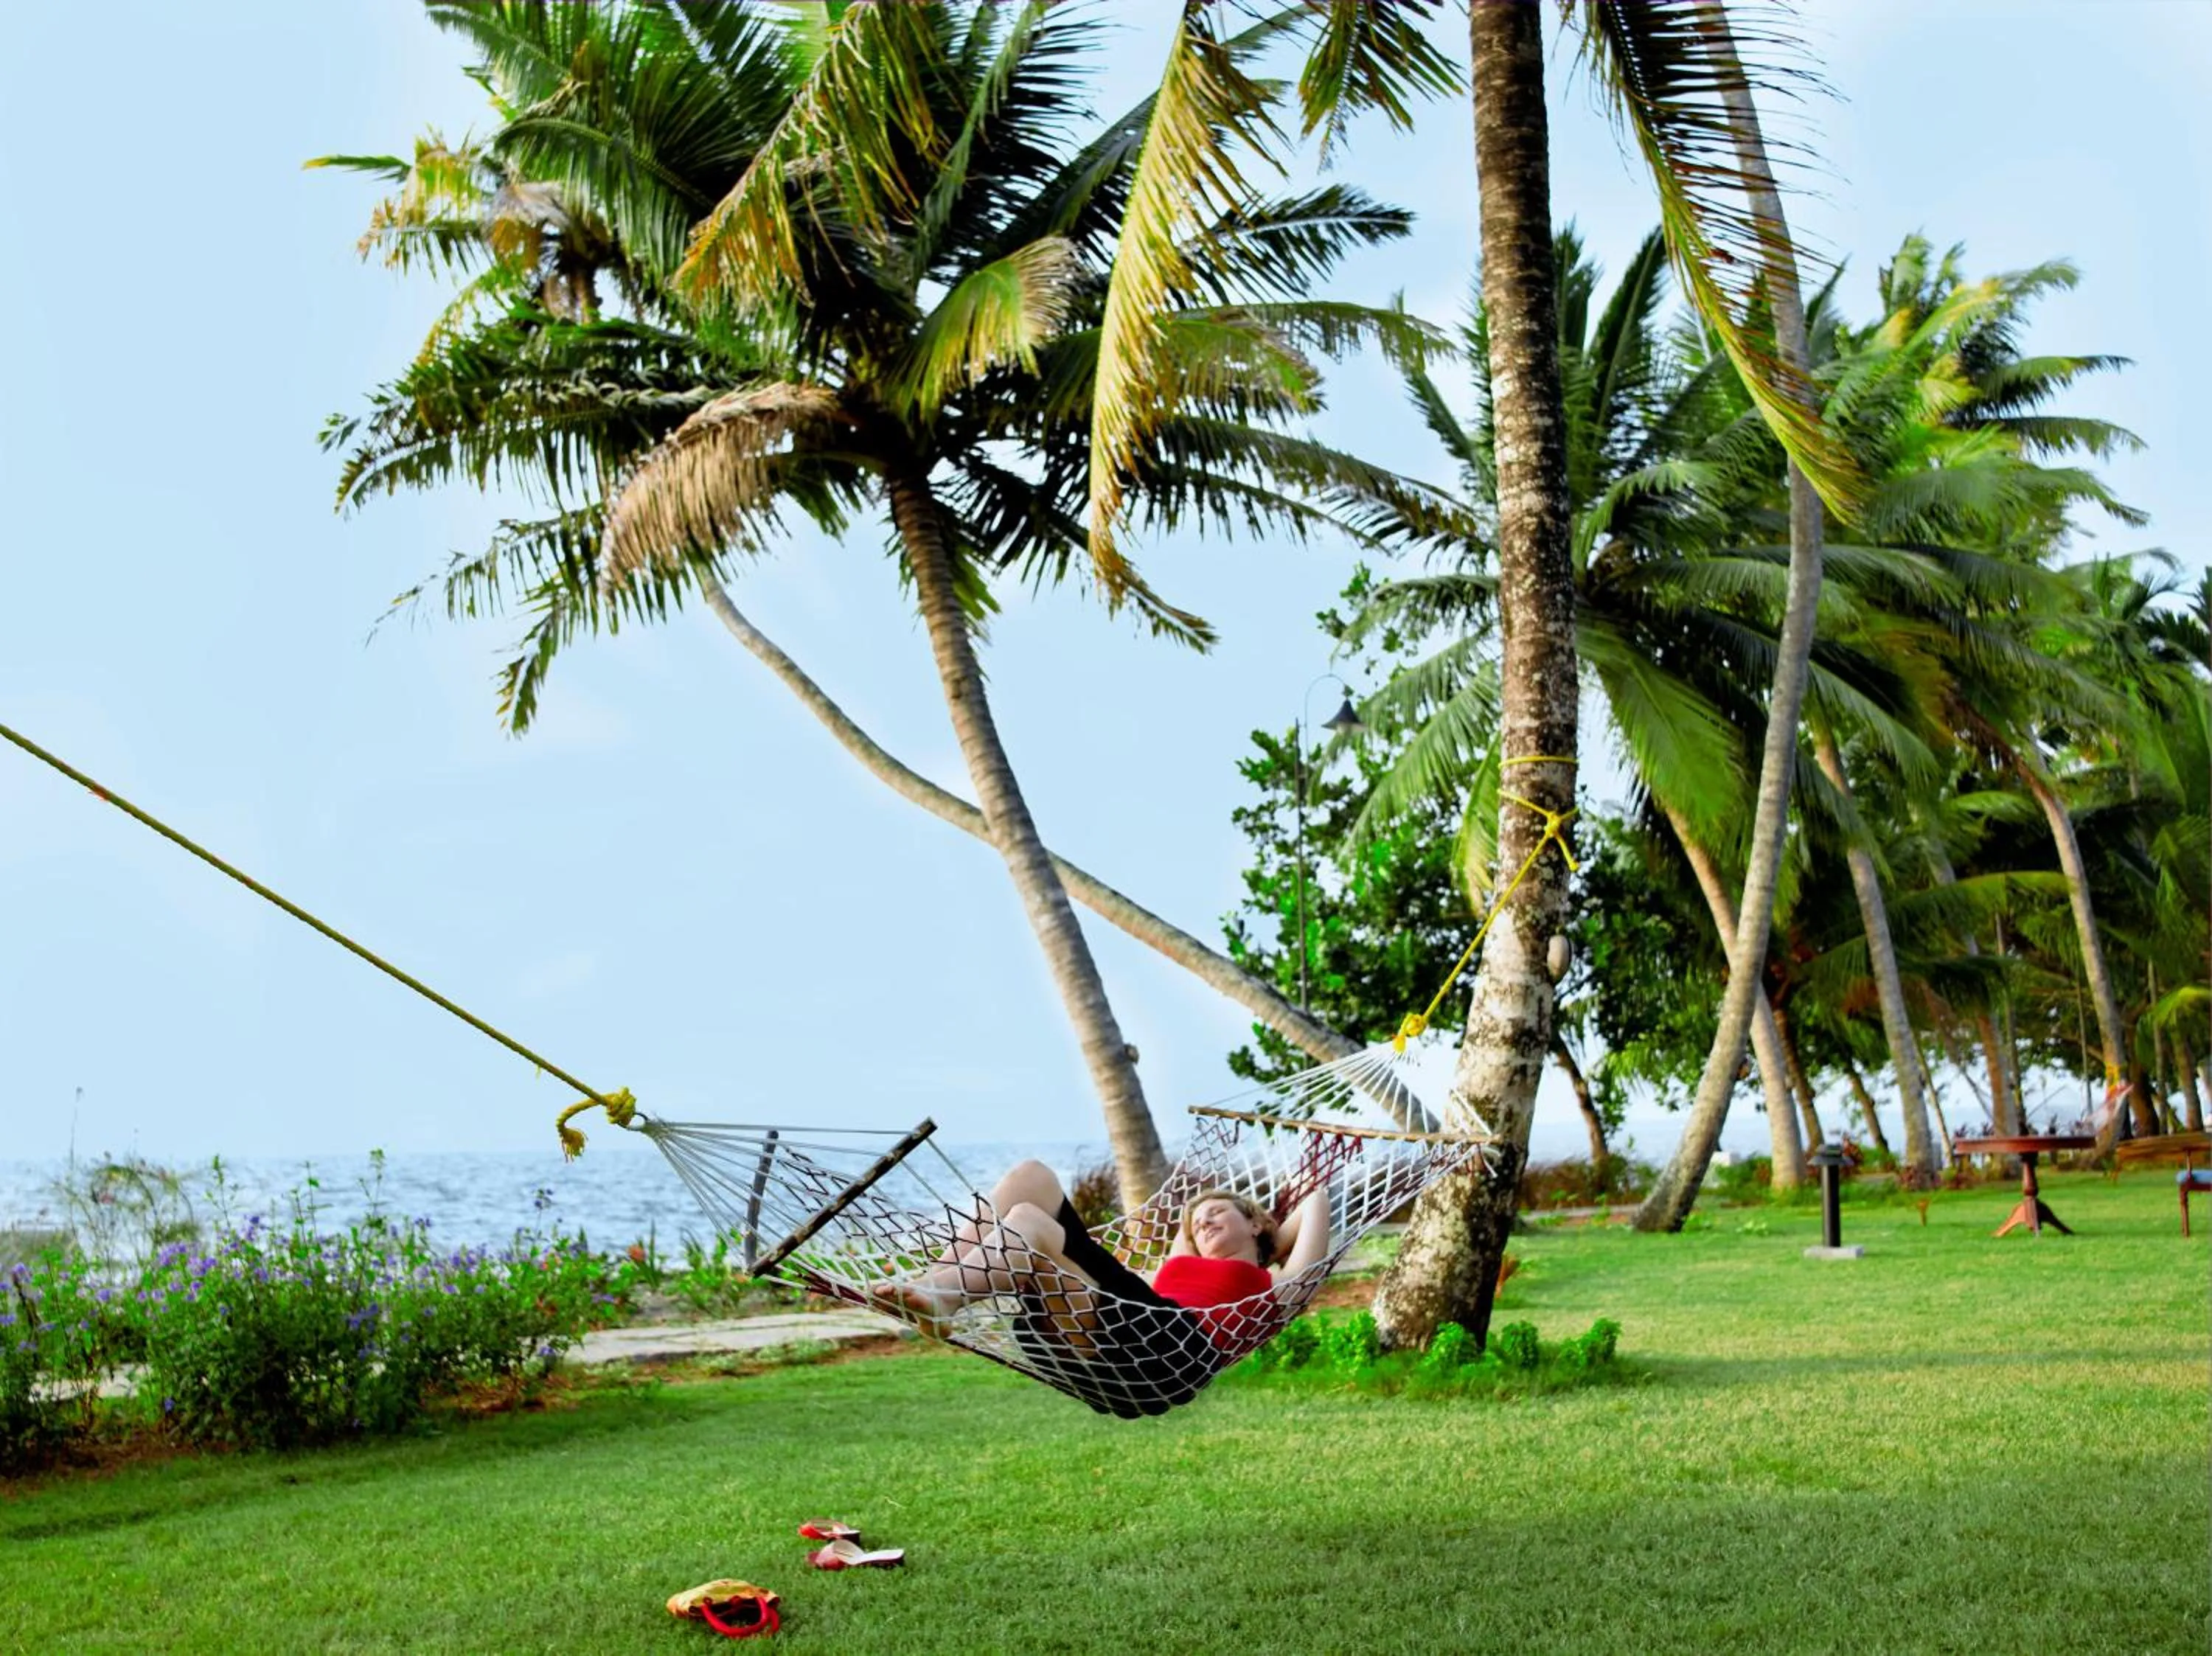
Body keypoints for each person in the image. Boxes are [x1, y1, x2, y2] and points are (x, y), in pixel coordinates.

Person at [868, 1158, 1332, 1416]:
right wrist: (1229, 1224)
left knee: (1029, 1221)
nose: (1203, 1219)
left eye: (1218, 1212)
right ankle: (929, 1289)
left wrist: (1267, 1231)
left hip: (1169, 1353)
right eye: (1195, 1219)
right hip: (1120, 1321)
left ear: (1254, 1223)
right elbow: (1151, 1266)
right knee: (1032, 1180)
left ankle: (944, 1297)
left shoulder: (1272, 1288)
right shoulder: (1177, 1263)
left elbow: (1314, 1203)